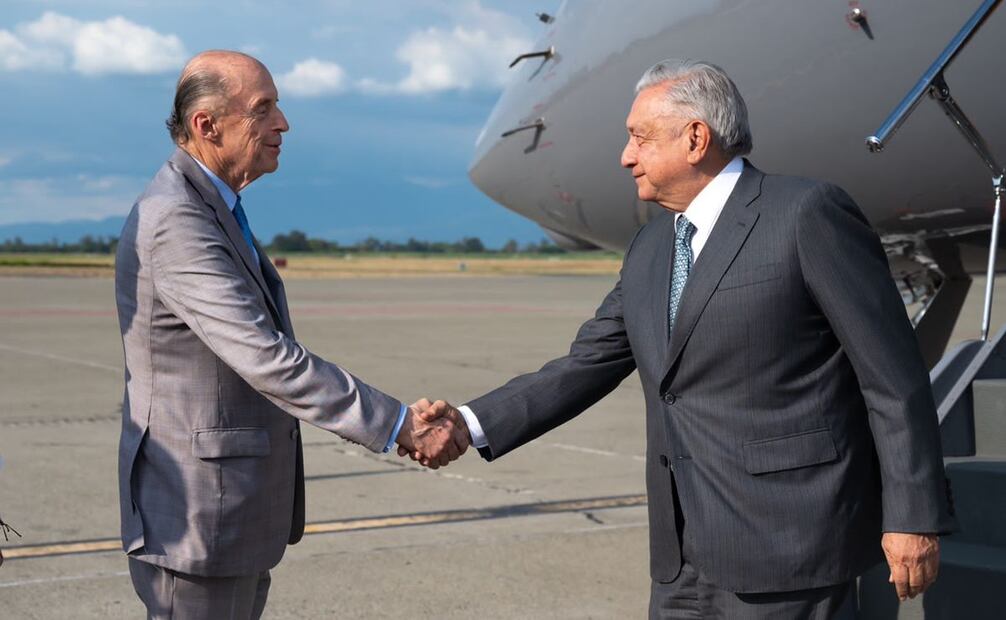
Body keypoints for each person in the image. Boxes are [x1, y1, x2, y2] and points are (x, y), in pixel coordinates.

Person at [415, 59, 957, 618]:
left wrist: (912, 516)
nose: (626, 156)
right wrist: (469, 423)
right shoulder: (651, 249)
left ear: (696, 138)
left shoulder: (804, 214)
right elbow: (585, 364)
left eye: (639, 138)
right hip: (680, 557)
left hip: (792, 548)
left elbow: (892, 377)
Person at [115, 50, 465, 619]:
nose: (284, 123)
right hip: (198, 518)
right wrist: (400, 424)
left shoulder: (214, 207)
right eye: (264, 109)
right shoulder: (177, 219)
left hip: (231, 513)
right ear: (207, 125)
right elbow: (267, 358)